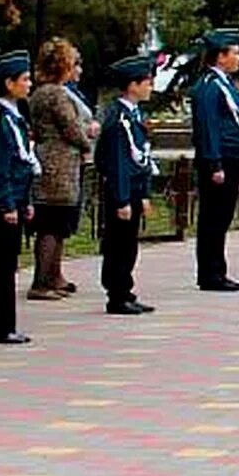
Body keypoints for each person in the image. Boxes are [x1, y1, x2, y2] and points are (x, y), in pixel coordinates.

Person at [28, 38, 96, 301]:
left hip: (52, 161)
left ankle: (53, 276)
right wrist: (87, 136)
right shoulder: (55, 94)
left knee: (58, 223)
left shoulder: (41, 92)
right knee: (52, 224)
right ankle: (42, 281)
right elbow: (70, 127)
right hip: (59, 164)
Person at [0, 50, 37, 343]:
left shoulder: (14, 117)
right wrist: (7, 203)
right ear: (8, 83)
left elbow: (22, 166)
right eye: (24, 79)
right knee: (0, 267)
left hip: (14, 200)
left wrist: (24, 201)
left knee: (7, 265)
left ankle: (3, 324)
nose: (29, 84)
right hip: (1, 204)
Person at [189, 28, 239, 292]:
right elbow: (208, 127)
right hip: (218, 158)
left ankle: (216, 269)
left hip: (230, 156)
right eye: (235, 53)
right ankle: (211, 273)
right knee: (214, 217)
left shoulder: (225, 84)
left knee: (222, 215)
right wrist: (214, 163)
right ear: (220, 56)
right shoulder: (209, 86)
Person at [94, 53, 157, 315]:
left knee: (129, 244)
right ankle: (116, 294)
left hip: (132, 189)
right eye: (147, 81)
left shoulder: (132, 115)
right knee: (118, 245)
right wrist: (121, 198)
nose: (151, 86)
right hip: (121, 191)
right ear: (133, 85)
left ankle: (125, 290)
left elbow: (140, 159)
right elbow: (118, 162)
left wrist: (143, 193)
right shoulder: (119, 119)